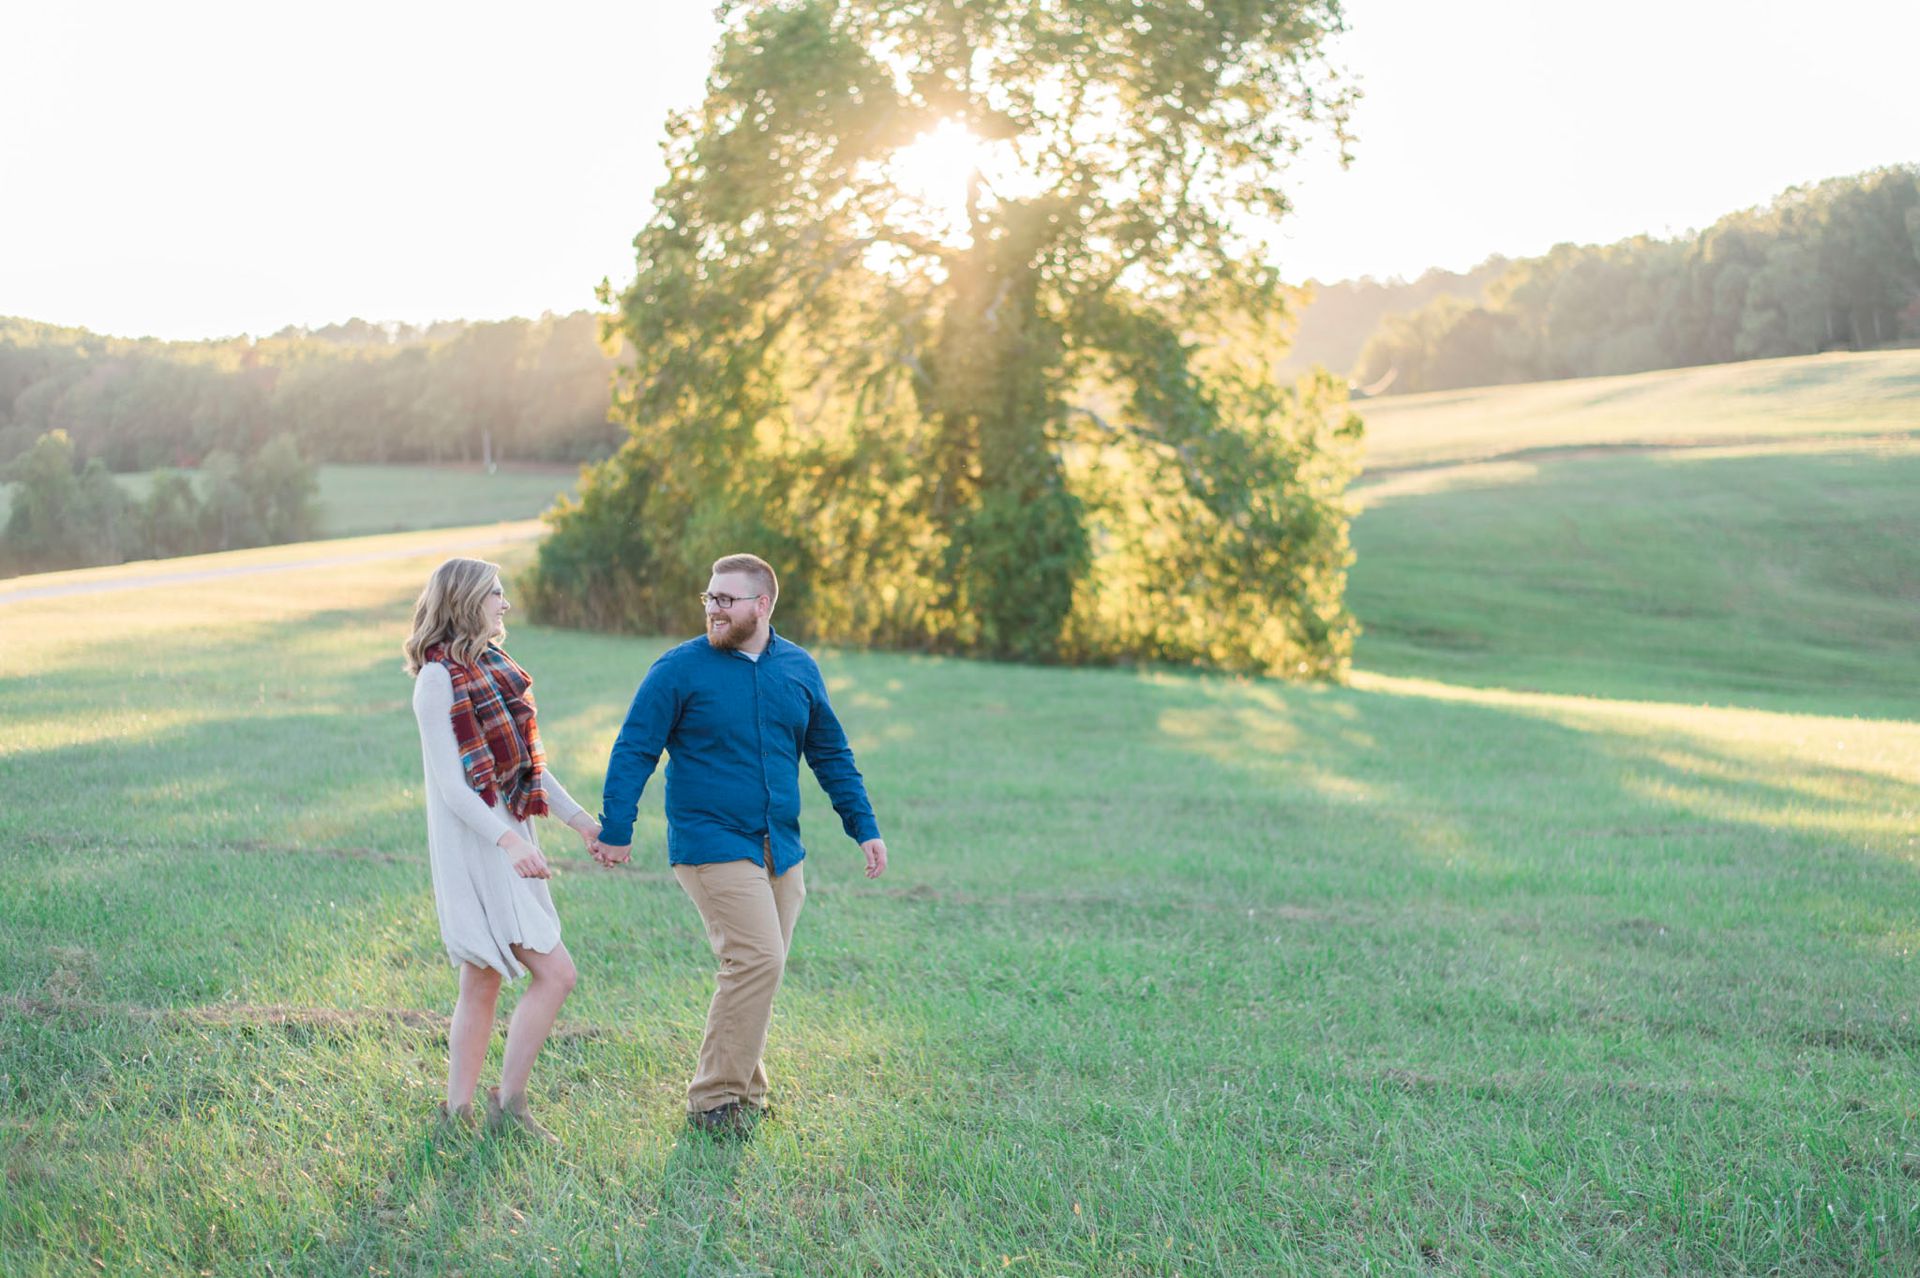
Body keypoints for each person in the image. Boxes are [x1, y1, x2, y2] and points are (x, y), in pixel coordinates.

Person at [592, 552, 887, 1136]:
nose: (713, 609)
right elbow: (634, 748)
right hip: (710, 841)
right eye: (709, 598)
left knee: (760, 969)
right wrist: (617, 829)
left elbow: (831, 754)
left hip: (782, 846)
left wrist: (864, 826)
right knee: (756, 958)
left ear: (762, 605)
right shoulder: (679, 669)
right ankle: (715, 1101)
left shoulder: (799, 668)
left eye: (726, 599)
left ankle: (746, 1087)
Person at [404, 557, 600, 1142]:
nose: (505, 604)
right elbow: (452, 786)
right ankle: (507, 1104)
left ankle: (458, 1112)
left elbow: (529, 769)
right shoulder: (437, 680)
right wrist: (509, 841)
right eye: (496, 593)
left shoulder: (494, 666)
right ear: (466, 600)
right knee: (556, 975)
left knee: (482, 978)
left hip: (508, 835)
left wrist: (581, 822)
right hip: (479, 844)